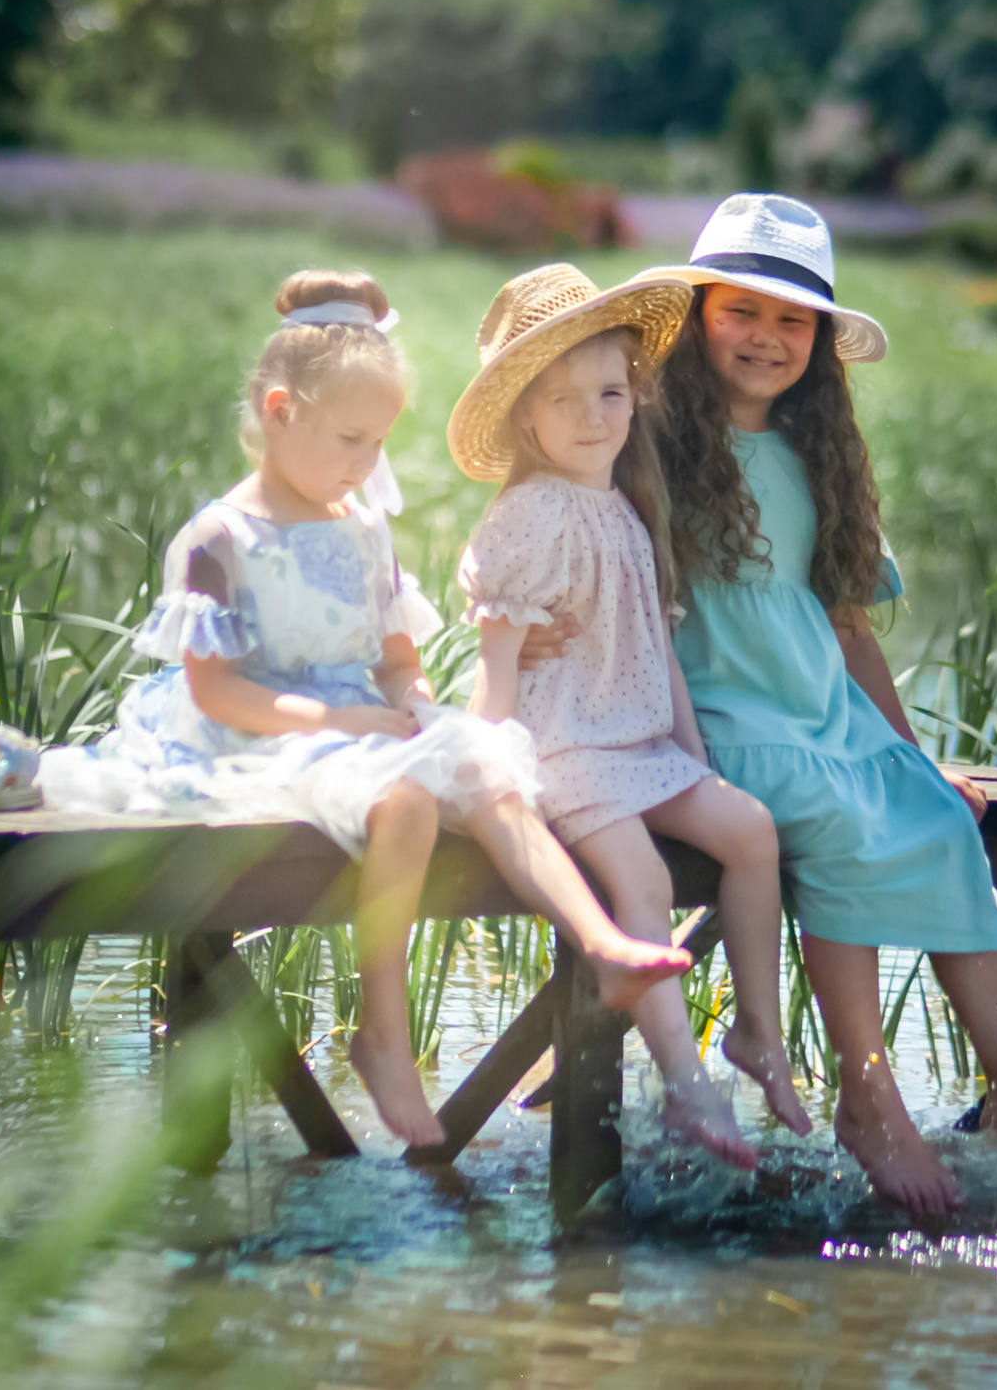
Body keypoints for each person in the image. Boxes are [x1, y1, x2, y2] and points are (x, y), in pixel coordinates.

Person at [41, 270, 690, 1149]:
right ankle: (383, 1031)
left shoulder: (362, 530)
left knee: (492, 775)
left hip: (362, 723)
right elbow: (215, 690)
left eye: (378, 442)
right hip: (259, 729)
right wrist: (348, 724)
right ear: (279, 411)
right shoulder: (218, 541)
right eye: (350, 439)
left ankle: (600, 943)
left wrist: (423, 713)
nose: (364, 464)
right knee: (407, 802)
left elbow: (394, 661)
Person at [637, 195, 997, 1214]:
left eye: (792, 321)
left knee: (934, 820)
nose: (765, 337)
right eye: (740, 312)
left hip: (818, 712)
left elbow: (848, 629)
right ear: (694, 314)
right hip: (717, 721)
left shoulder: (819, 454)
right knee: (838, 819)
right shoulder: (653, 446)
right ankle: (868, 1096)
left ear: (821, 344)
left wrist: (909, 753)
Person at [450, 265, 815, 1171]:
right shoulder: (525, 521)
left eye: (608, 393)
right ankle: (687, 1083)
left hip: (641, 744)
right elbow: (499, 666)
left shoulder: (627, 509)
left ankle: (758, 1034)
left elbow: (659, 657)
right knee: (643, 880)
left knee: (751, 829)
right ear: (525, 419)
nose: (590, 417)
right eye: (562, 400)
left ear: (635, 394)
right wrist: (487, 771)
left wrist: (698, 769)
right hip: (563, 748)